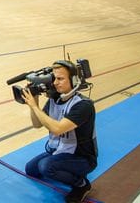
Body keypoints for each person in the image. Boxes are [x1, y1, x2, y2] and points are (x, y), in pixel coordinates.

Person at [22, 60, 98, 203]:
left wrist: (35, 107)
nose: (55, 83)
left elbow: (57, 129)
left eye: (60, 79)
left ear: (74, 80)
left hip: (82, 158)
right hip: (61, 149)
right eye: (54, 78)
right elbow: (37, 124)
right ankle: (61, 168)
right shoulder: (54, 100)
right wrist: (34, 103)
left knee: (45, 167)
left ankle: (81, 184)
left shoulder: (83, 105)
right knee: (30, 169)